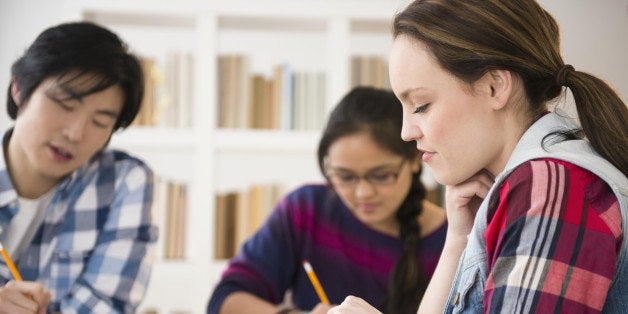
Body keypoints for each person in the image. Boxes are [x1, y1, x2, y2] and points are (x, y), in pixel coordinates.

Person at [330, 0, 628, 313]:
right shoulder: (523, 189)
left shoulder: (549, 188)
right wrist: (458, 240)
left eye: (420, 105)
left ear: (494, 87)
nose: (406, 132)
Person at [206, 86, 447, 314]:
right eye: (345, 177)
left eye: (381, 175)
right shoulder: (306, 210)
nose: (362, 193)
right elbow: (226, 300)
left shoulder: (453, 241)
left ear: (415, 160)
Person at [0, 21, 158, 313]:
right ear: (19, 89)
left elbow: (107, 307)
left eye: (100, 122)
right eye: (64, 104)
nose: (75, 133)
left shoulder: (124, 183)